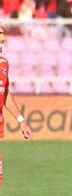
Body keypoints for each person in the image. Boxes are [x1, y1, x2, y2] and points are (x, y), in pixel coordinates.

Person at [0, 26, 33, 184]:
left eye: (3, 37)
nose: (2, 40)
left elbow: (5, 93)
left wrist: (21, 120)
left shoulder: (4, 64)